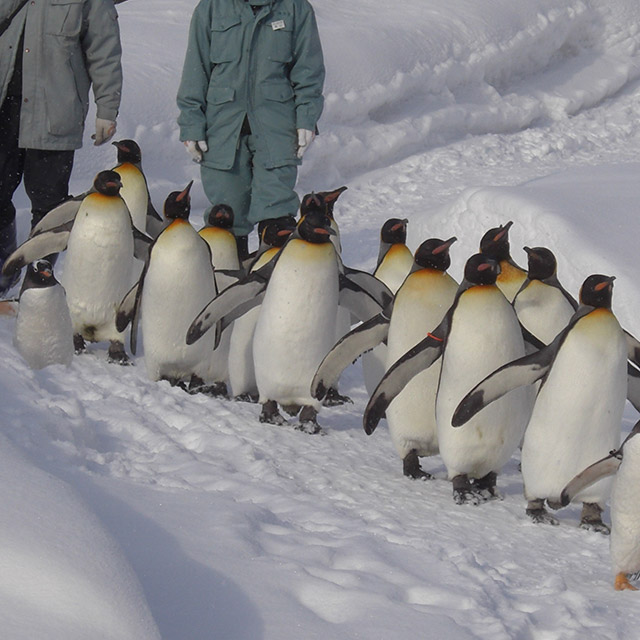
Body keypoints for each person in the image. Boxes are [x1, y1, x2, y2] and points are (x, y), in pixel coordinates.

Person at [177, 0, 325, 260]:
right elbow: (195, 71)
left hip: (277, 130)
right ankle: (228, 289)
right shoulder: (212, 8)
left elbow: (308, 70)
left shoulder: (296, 9)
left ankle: (275, 291)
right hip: (221, 132)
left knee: (277, 216)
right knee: (225, 221)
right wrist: (191, 123)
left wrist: (307, 117)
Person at [0, 0, 124, 293]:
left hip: (54, 113)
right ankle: (4, 275)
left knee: (48, 206)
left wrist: (107, 109)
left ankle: (37, 284)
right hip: (4, 110)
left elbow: (104, 49)